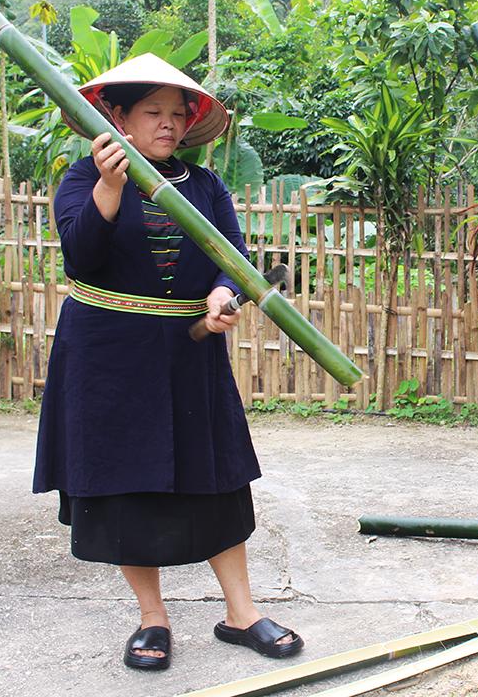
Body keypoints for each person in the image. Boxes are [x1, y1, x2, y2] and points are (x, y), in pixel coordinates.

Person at [33, 54, 303, 671]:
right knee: (124, 485)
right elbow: (80, 255)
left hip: (188, 353)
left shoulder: (203, 186)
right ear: (117, 117)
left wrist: (221, 297)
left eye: (177, 114)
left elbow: (230, 259)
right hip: (106, 354)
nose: (168, 124)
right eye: (152, 112)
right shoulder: (84, 177)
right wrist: (109, 187)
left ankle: (242, 614)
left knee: (216, 481)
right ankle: (152, 618)